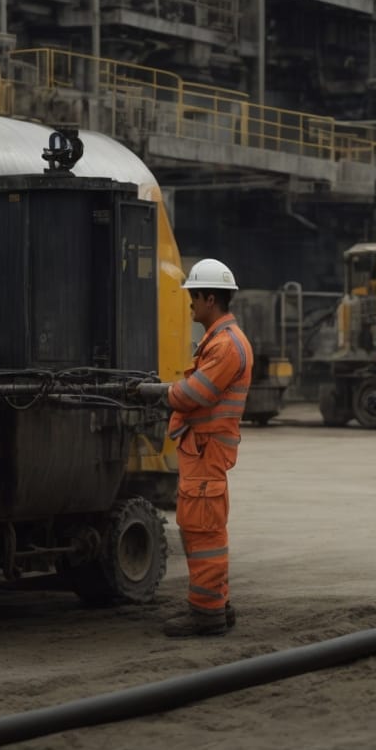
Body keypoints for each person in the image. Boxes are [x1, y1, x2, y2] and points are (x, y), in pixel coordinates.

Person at [136, 258, 253, 637]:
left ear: (209, 298)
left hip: (206, 454)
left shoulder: (226, 346)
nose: (189, 304)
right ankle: (217, 603)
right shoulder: (219, 341)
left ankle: (206, 614)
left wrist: (157, 392)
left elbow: (194, 394)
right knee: (201, 529)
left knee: (203, 534)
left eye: (193, 296)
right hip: (201, 453)